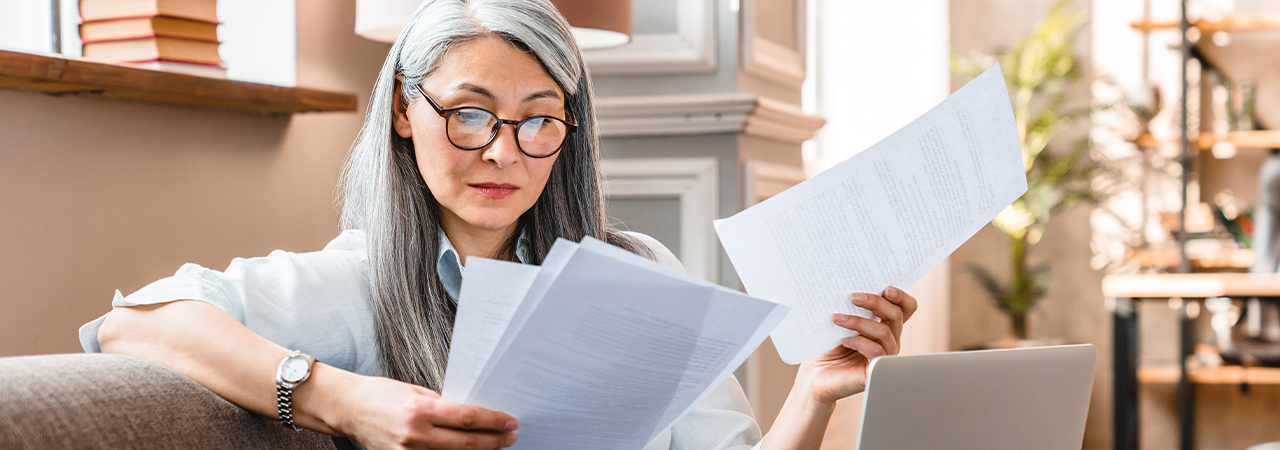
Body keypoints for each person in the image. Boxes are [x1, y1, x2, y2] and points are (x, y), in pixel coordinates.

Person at [79, 1, 918, 449]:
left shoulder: (638, 267)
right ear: (405, 112)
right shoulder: (360, 286)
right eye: (470, 115)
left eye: (539, 119)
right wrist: (343, 400)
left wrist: (813, 397)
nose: (504, 154)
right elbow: (130, 322)